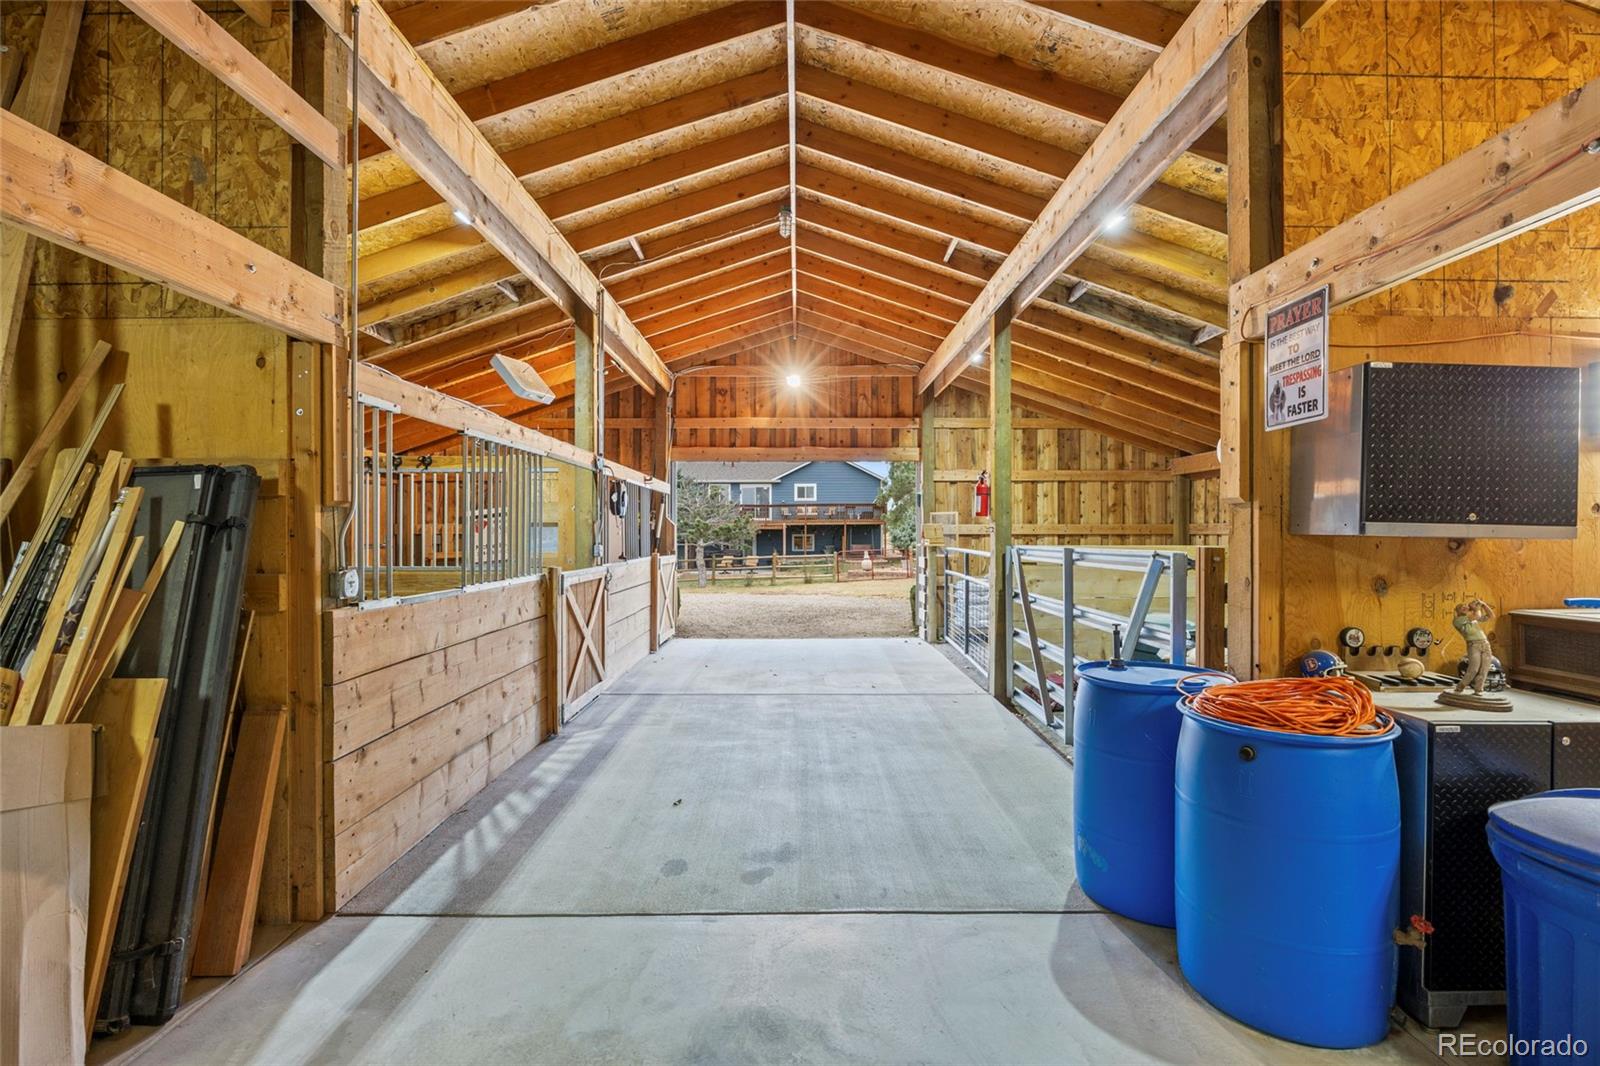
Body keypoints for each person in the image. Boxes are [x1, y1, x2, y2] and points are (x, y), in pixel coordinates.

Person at [1452, 598, 1496, 695]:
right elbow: (1476, 615)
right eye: (1461, 607)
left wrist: (1484, 605)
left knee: (1484, 669)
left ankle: (1478, 689)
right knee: (1473, 669)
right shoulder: (1458, 620)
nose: (1464, 607)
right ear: (1456, 611)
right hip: (1473, 645)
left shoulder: (1473, 618)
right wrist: (1476, 608)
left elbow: (1491, 616)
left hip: (1485, 643)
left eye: (1465, 605)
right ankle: (1460, 687)